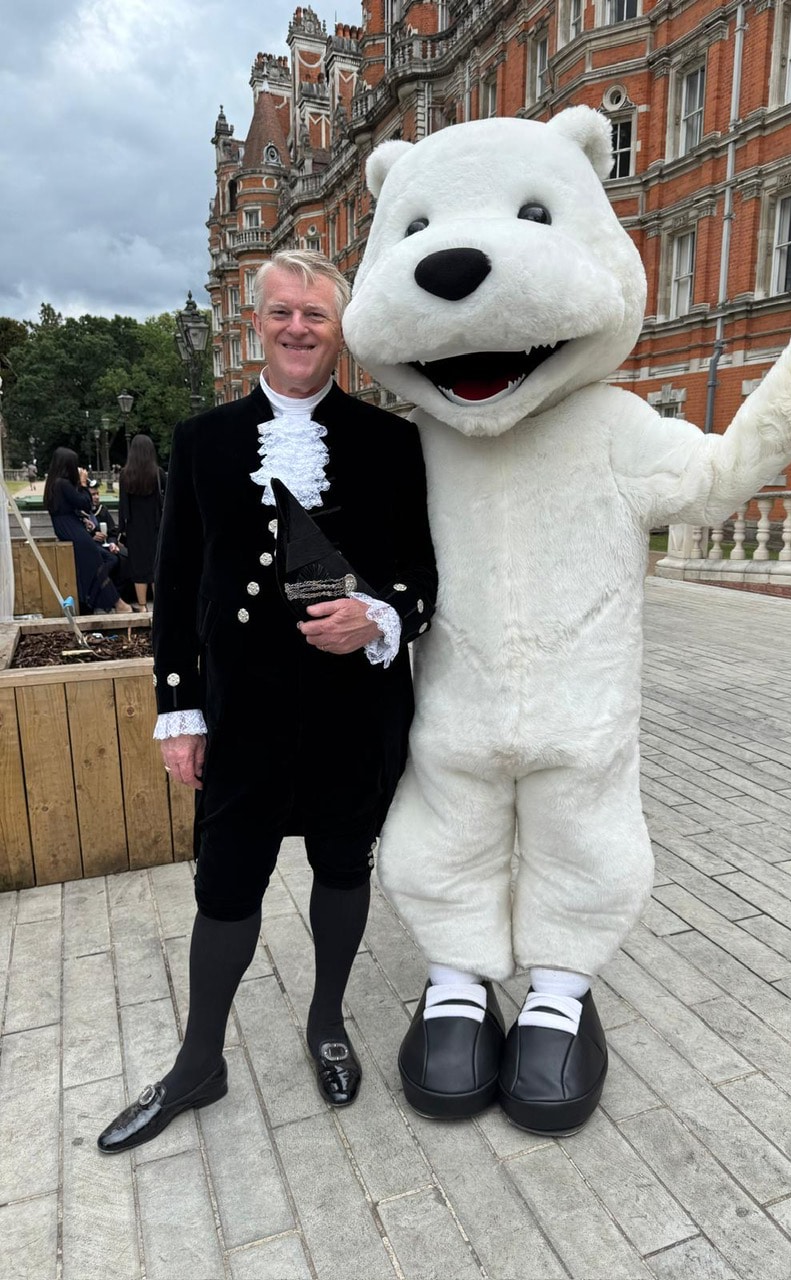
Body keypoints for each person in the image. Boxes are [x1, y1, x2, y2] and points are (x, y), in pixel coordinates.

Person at [97, 249, 437, 1154]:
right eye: (282, 311)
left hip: (351, 712)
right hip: (243, 711)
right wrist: (179, 712)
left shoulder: (391, 442)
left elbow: (424, 579)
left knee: (343, 868)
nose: (297, 328)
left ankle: (326, 1022)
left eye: (315, 315)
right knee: (226, 885)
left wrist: (376, 617)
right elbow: (175, 589)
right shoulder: (203, 439)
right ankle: (197, 1061)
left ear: (340, 329)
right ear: (256, 321)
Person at [42, 447, 133, 615]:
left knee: (97, 564)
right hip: (74, 531)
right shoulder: (63, 484)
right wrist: (83, 484)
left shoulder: (54, 484)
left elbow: (67, 507)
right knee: (96, 565)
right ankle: (116, 603)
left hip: (67, 527)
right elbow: (85, 503)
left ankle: (96, 600)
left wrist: (83, 519)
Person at [118, 433, 165, 611]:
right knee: (156, 567)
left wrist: (122, 530)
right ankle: (159, 606)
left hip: (134, 528)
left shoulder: (125, 475)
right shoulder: (158, 474)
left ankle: (142, 606)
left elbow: (123, 505)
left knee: (139, 569)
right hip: (155, 527)